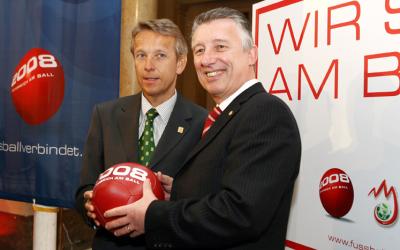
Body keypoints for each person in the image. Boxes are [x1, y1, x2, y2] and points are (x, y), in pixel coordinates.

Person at [103, 7, 302, 249]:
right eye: (200, 50)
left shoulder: (266, 113)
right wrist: (177, 192)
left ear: (252, 54)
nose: (207, 59)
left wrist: (153, 214)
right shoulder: (226, 115)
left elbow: (240, 214)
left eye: (220, 47)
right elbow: (225, 188)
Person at [74, 18, 207, 250]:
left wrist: (177, 193)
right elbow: (84, 188)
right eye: (141, 55)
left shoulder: (202, 123)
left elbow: (207, 201)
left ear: (181, 63)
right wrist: (89, 206)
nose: (148, 66)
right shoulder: (105, 115)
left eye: (160, 56)